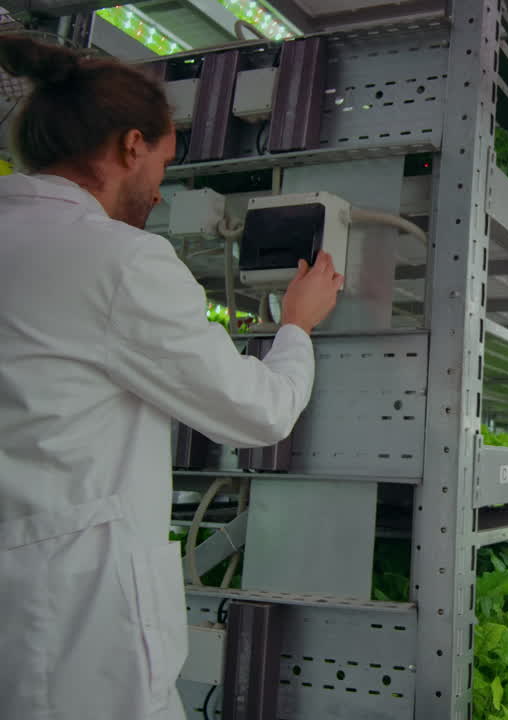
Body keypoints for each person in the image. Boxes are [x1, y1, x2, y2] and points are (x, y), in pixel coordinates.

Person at [0, 36, 343, 720]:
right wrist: (297, 327)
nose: (160, 191)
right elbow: (259, 412)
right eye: (161, 162)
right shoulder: (119, 261)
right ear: (131, 146)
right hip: (73, 629)